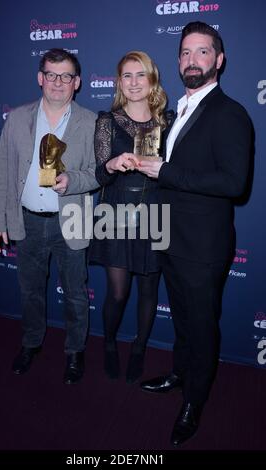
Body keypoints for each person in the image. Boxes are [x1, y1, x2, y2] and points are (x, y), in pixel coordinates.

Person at [138, 22, 252, 445]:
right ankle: (180, 373)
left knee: (202, 325)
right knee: (183, 319)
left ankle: (194, 401)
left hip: (203, 246)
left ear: (218, 61)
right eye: (185, 52)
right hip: (170, 235)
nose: (192, 60)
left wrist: (167, 171)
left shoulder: (230, 113)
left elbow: (234, 183)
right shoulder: (176, 111)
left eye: (202, 52)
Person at [0, 48, 99, 384]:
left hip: (72, 218)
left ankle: (75, 351)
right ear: (40, 78)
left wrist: (73, 180)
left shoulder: (92, 122)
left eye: (66, 76)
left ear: (76, 83)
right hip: (28, 221)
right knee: (31, 290)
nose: (57, 82)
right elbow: (3, 174)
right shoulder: (17, 119)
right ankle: (31, 342)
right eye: (51, 74)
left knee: (76, 293)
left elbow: (99, 173)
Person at [89, 51, 171, 384]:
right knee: (119, 292)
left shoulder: (170, 120)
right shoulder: (107, 121)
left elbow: (177, 172)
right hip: (116, 210)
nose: (134, 82)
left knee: (150, 289)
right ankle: (109, 344)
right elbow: (100, 175)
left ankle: (138, 348)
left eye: (140, 75)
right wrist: (110, 164)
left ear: (152, 79)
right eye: (127, 75)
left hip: (155, 208)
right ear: (119, 81)